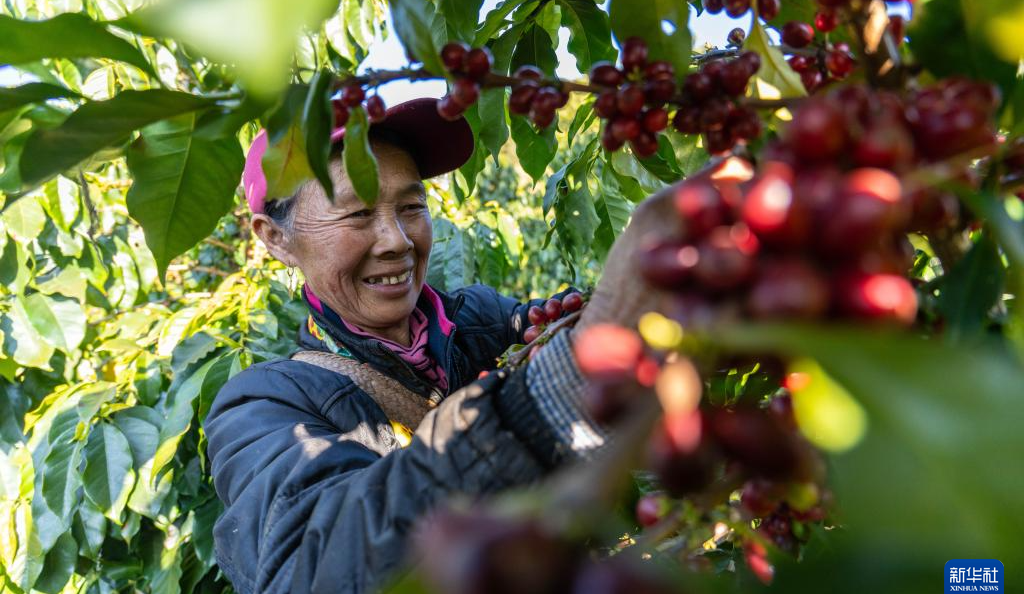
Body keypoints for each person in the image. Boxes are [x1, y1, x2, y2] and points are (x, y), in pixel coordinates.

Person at [204, 97, 675, 594]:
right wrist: (539, 400)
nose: (397, 240)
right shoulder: (260, 407)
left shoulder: (481, 318)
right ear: (276, 239)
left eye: (411, 207)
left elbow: (561, 322)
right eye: (358, 213)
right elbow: (310, 569)